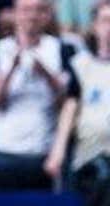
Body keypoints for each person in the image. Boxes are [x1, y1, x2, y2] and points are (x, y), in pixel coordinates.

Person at [0, 0, 76, 190]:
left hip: (43, 150)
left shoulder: (62, 50)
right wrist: (11, 69)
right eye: (26, 10)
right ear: (15, 14)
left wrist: (46, 74)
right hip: (4, 149)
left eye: (39, 10)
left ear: (48, 15)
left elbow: (68, 102)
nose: (32, 16)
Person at [47, 1, 110, 181]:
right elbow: (70, 108)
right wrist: (57, 151)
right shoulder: (81, 64)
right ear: (95, 26)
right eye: (106, 21)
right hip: (89, 159)